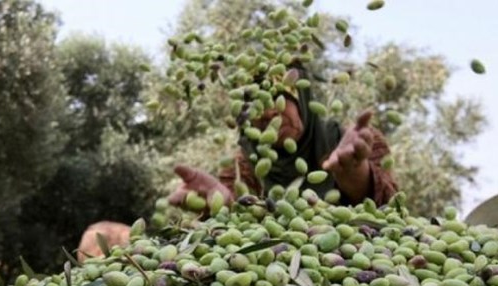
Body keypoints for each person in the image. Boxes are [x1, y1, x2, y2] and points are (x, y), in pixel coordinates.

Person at [168, 66, 398, 210]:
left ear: (303, 101)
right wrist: (224, 204)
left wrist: (358, 175)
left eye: (279, 98)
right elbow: (231, 216)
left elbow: (392, 212)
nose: (269, 112)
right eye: (256, 105)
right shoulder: (244, 166)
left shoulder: (358, 144)